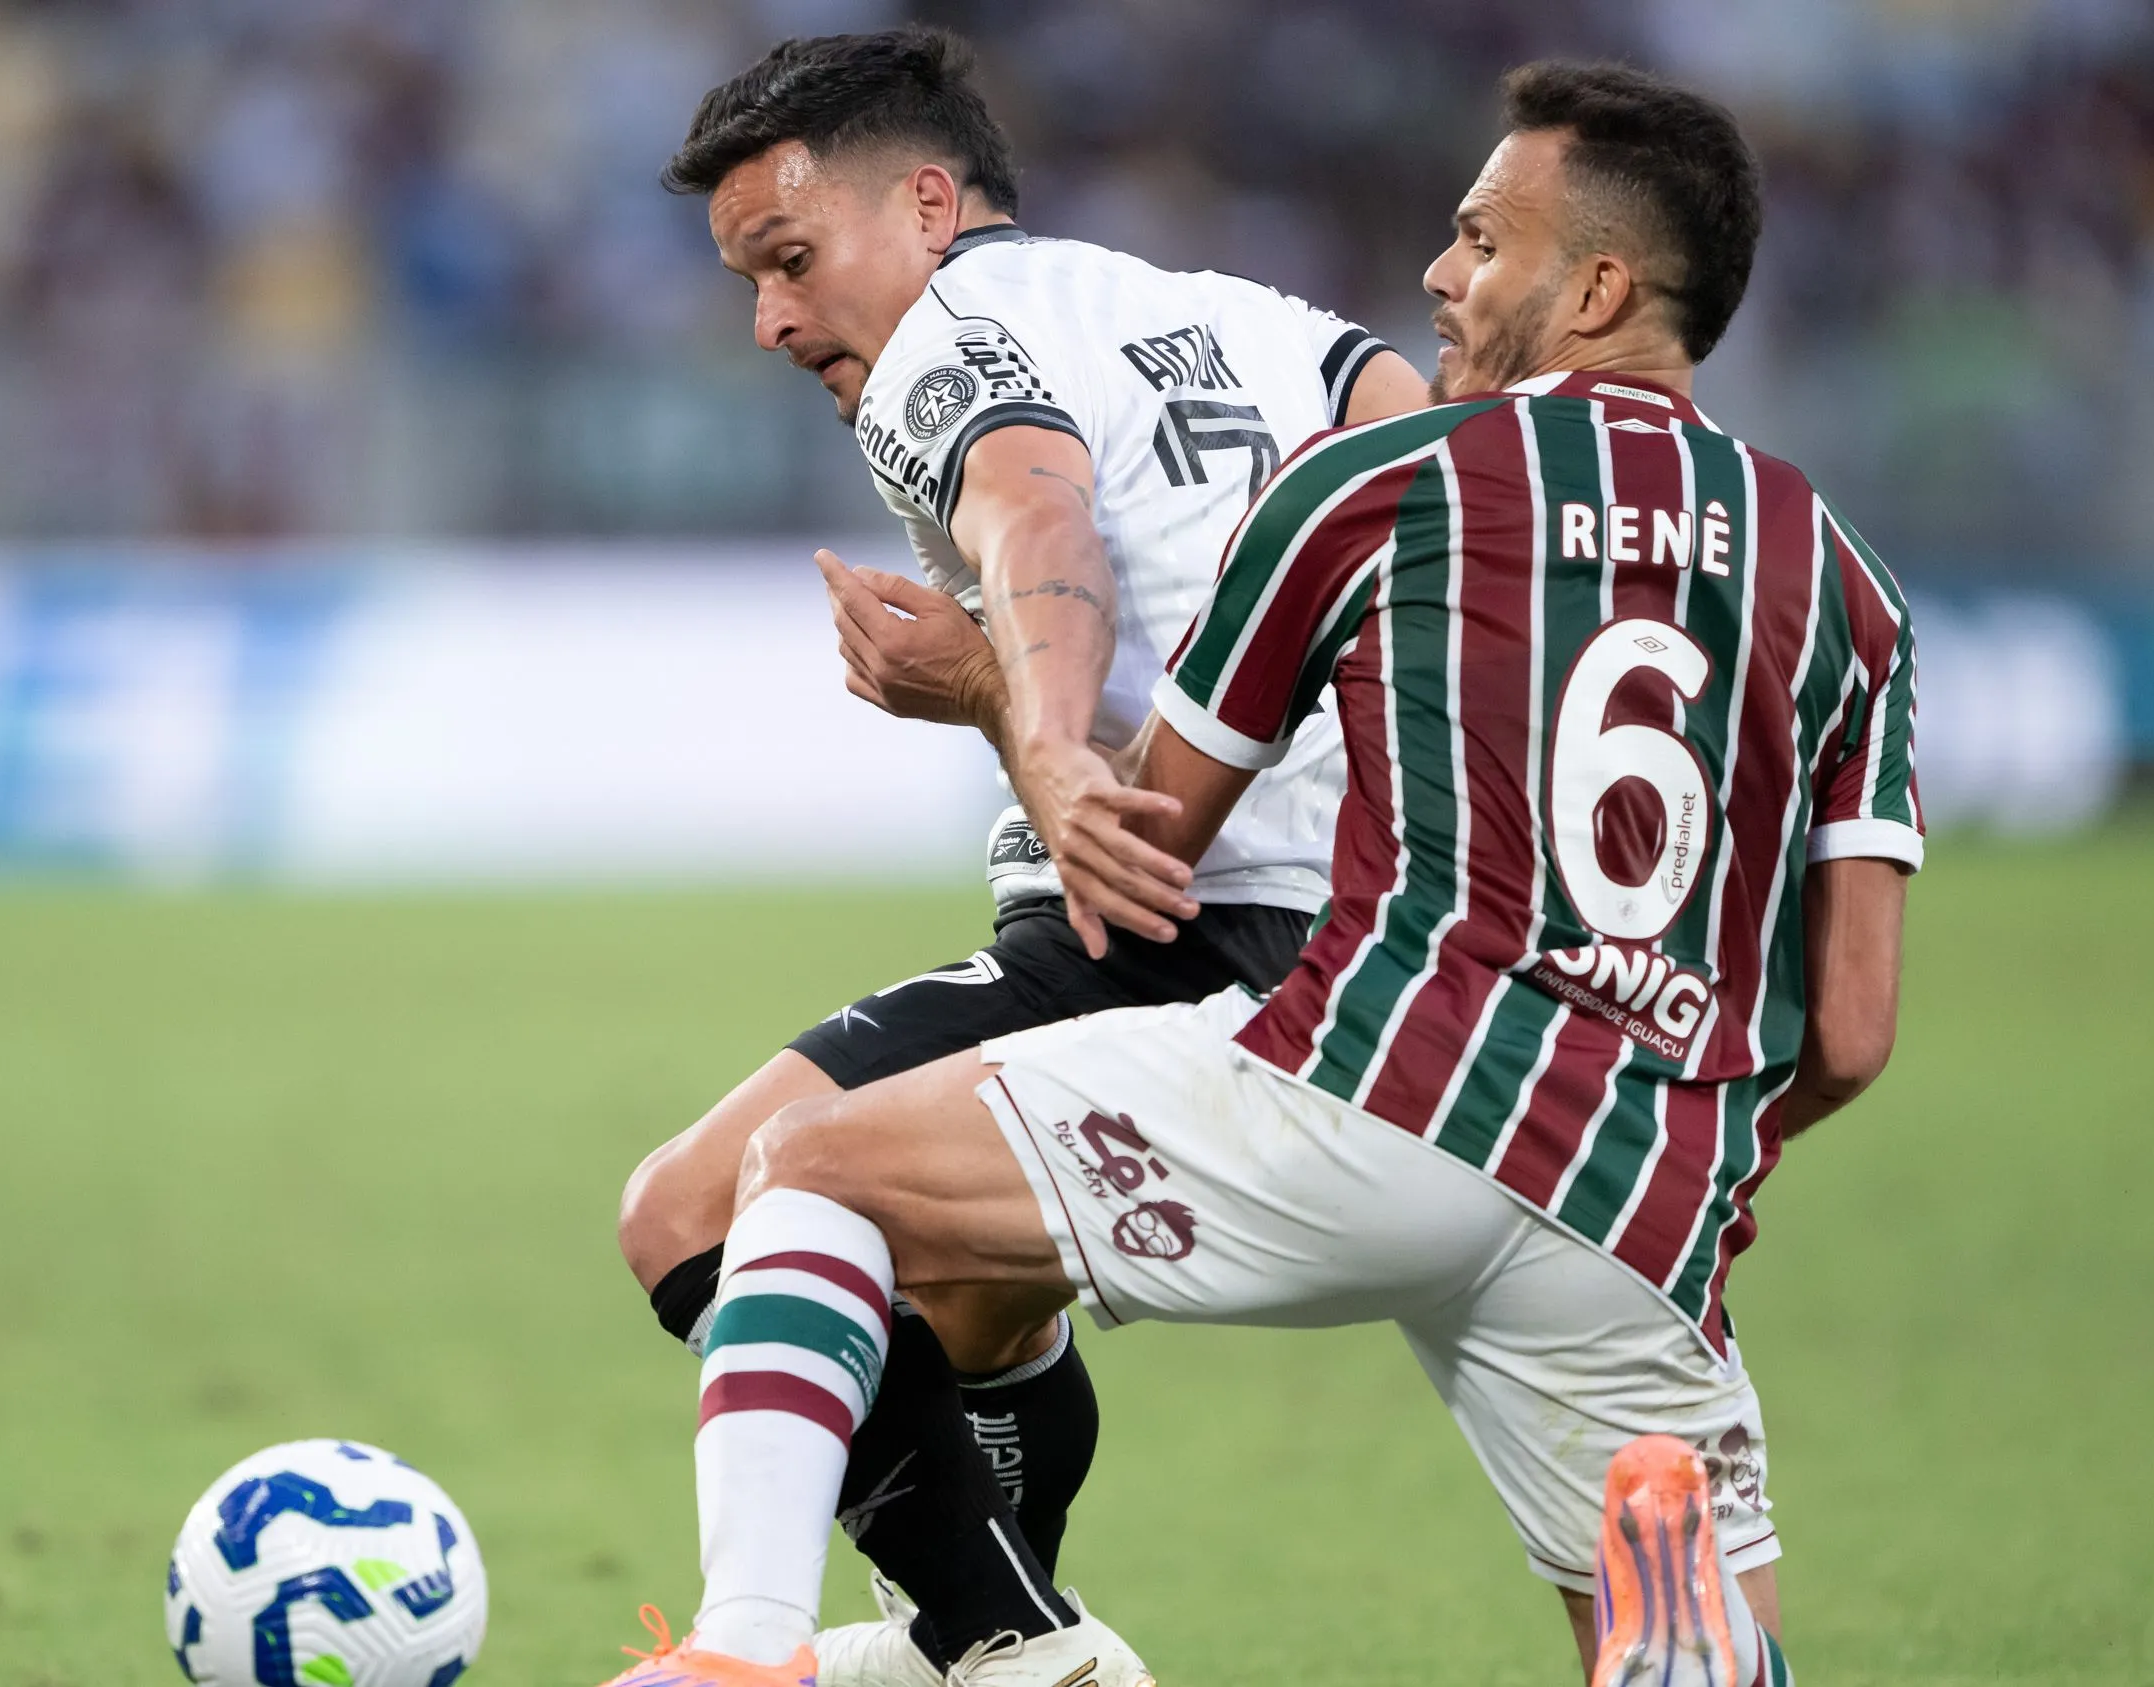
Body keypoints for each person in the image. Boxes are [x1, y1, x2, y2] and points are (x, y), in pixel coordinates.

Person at [603, 60, 1916, 1687]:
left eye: (1482, 243)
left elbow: (1051, 552)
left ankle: (890, 1654)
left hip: (1358, 1028)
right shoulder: (1839, 574)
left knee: (754, 1186)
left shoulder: (1381, 490)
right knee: (977, 1303)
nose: (1440, 274)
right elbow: (1851, 1030)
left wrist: (1021, 719)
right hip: (1627, 1147)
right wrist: (1709, 1133)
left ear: (1592, 283)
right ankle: (1675, 1651)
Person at [617, 26, 1427, 1687]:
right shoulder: (1275, 331)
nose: (771, 319)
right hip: (1376, 940)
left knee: (698, 1205)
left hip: (1173, 911)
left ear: (926, 204)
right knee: (973, 1307)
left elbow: (1034, 514)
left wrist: (1037, 732)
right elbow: (1441, 494)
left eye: (790, 258)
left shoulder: (947, 335)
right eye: (749, 280)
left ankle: (957, 1648)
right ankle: (969, 1642)